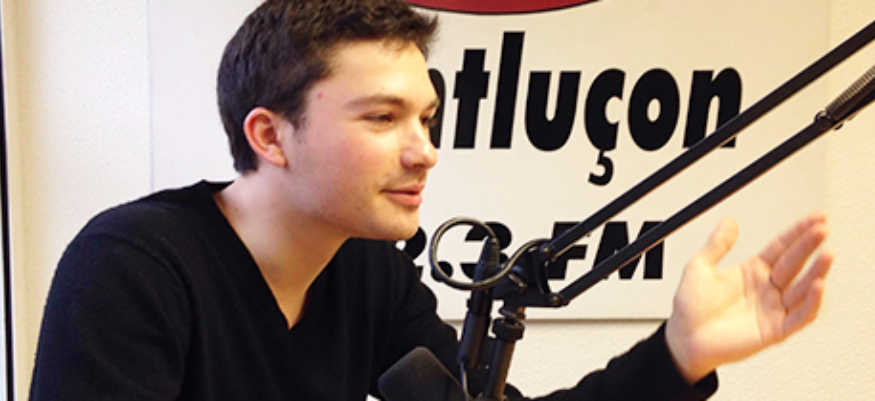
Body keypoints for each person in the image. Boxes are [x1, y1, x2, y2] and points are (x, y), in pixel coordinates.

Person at [29, 0, 834, 399]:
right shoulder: (133, 268)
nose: (424, 150)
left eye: (427, 117)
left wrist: (678, 353)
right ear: (270, 135)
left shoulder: (370, 273)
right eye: (382, 118)